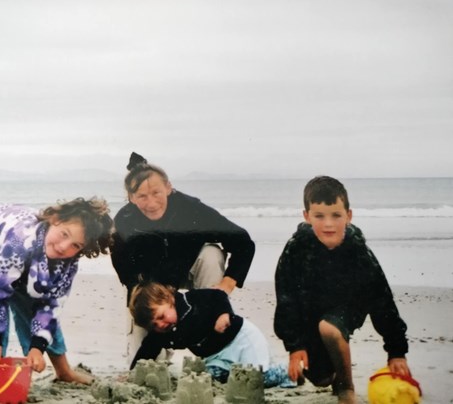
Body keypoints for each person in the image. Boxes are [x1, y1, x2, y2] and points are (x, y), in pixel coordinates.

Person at [273, 176, 412, 404]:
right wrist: (295, 347)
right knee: (320, 378)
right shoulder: (296, 249)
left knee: (329, 328)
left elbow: (382, 300)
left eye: (336, 215)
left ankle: (346, 387)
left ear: (348, 215)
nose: (329, 224)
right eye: (319, 216)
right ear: (307, 216)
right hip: (311, 313)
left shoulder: (358, 251)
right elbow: (286, 298)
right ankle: (335, 377)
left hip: (349, 308)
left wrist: (396, 351)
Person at [0, 197, 114, 396]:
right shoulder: (18, 241)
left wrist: (37, 349)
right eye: (64, 234)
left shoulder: (67, 262)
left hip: (27, 256)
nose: (63, 247)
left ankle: (63, 370)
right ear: (54, 219)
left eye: (75, 245)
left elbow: (51, 307)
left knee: (34, 302)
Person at [111, 152, 256, 362]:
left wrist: (227, 283)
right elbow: (126, 273)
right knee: (146, 364)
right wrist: (149, 300)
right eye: (142, 196)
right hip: (152, 284)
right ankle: (158, 355)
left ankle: (212, 328)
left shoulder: (191, 210)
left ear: (168, 188)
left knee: (211, 253)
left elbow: (243, 242)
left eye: (156, 193)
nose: (151, 203)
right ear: (131, 198)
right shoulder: (124, 222)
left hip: (191, 268)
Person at [129, 281, 296, 388]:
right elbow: (148, 349)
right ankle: (232, 372)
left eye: (161, 316)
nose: (161, 325)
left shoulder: (191, 300)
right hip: (217, 356)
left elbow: (218, 295)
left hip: (241, 340)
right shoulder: (163, 333)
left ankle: (287, 371)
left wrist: (223, 314)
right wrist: (134, 373)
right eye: (155, 325)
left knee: (255, 379)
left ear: (168, 299)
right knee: (210, 379)